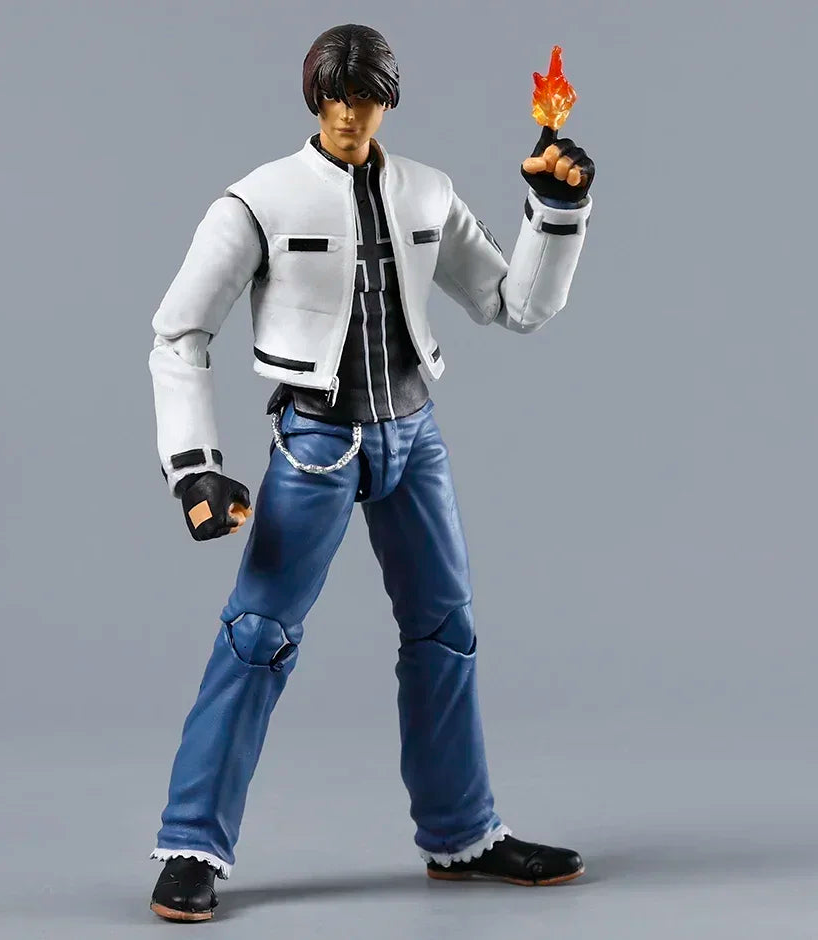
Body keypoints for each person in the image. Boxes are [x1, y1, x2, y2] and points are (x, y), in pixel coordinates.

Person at [147, 23, 595, 923]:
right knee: (257, 636)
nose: (350, 113)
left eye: (366, 97)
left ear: (388, 99)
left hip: (413, 434)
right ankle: (192, 840)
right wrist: (195, 468)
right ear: (314, 97)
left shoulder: (428, 190)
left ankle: (463, 833)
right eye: (335, 96)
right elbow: (178, 332)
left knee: (446, 632)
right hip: (316, 443)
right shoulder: (259, 200)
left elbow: (515, 305)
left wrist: (554, 211)